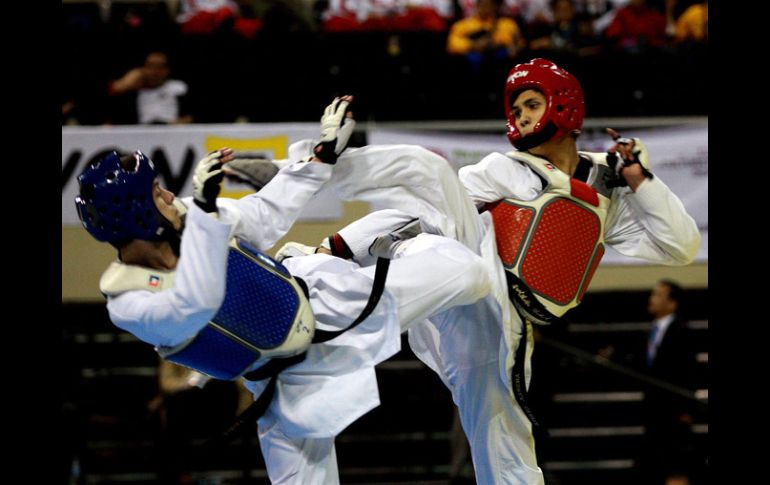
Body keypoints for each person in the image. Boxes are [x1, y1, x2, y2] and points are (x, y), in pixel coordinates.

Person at [272, 57, 700, 484]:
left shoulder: (608, 189)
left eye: (530, 104)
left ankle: (317, 307)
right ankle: (313, 187)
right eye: (516, 110)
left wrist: (643, 180)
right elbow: (418, 214)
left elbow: (680, 246)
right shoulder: (503, 169)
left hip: (500, 323)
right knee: (431, 179)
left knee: (506, 442)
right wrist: (336, 248)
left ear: (563, 103)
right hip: (461, 269)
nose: (521, 117)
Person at [73, 96, 492, 484]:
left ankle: (383, 241)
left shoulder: (188, 216)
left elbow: (263, 213)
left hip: (327, 306)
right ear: (136, 214)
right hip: (278, 386)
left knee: (470, 271)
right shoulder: (130, 301)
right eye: (155, 193)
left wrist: (321, 157)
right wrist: (202, 215)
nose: (168, 193)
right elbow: (195, 304)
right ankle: (363, 244)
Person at [639, 279, 698, 485]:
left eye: (657, 295)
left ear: (672, 303)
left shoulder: (682, 331)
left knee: (676, 468)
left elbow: (689, 372)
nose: (651, 299)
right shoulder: (650, 330)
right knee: (654, 466)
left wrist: (686, 410)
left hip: (674, 412)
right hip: (653, 412)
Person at [108, 51, 194, 124]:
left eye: (159, 67)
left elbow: (190, 116)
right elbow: (114, 90)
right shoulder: (135, 89)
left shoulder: (178, 87)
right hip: (143, 133)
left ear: (167, 70)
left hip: (170, 131)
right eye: (151, 66)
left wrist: (179, 123)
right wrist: (126, 81)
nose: (155, 71)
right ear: (144, 69)